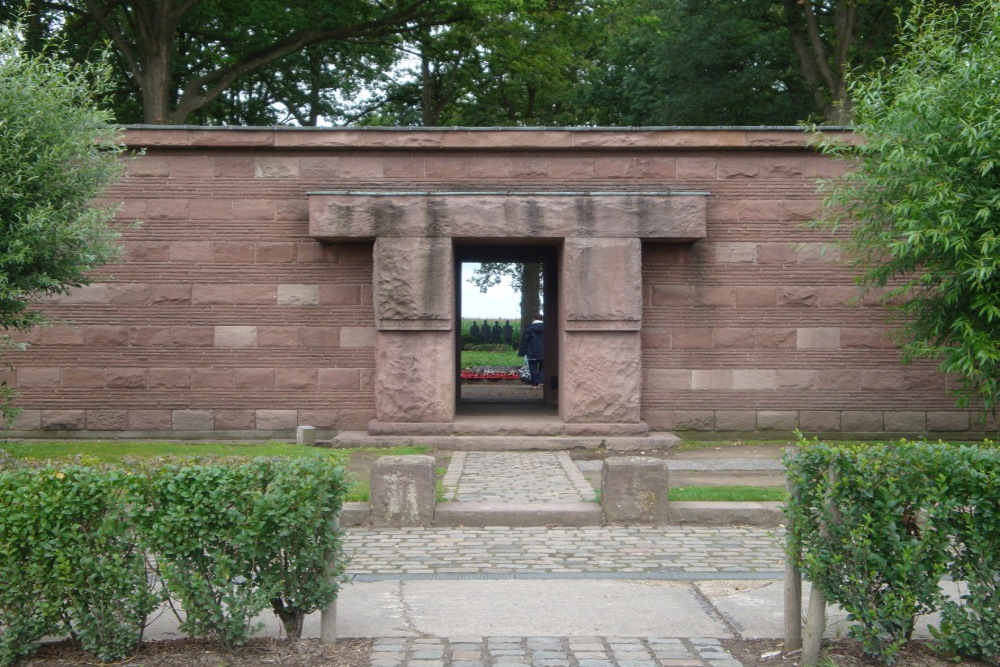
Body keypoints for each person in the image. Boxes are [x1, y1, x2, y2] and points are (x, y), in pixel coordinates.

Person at [517, 315, 544, 388]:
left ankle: (535, 383)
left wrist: (523, 352)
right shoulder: (546, 328)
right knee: (543, 366)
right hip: (544, 351)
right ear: (542, 319)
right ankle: (541, 381)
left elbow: (524, 341)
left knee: (533, 367)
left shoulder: (529, 328)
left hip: (531, 351)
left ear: (534, 319)